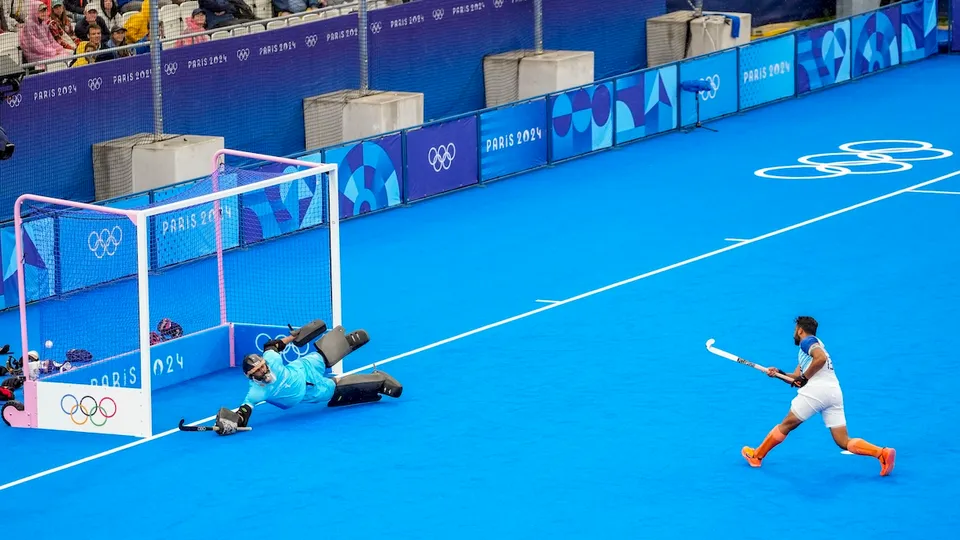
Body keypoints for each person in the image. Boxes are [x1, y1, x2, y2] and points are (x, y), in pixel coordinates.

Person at [741, 316, 896, 475]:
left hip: (817, 391)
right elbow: (796, 378)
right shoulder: (811, 349)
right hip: (834, 393)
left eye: (795, 330)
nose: (794, 333)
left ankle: (756, 455)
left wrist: (804, 378)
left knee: (786, 424)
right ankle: (882, 453)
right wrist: (778, 373)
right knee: (843, 441)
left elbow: (817, 362)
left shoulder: (807, 342)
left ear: (800, 330)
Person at [213, 321, 403, 435]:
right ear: (251, 376)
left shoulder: (271, 358)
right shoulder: (255, 392)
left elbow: (273, 345)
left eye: (263, 366)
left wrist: (292, 337)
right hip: (309, 392)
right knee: (333, 387)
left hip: (303, 367)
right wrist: (229, 424)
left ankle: (345, 342)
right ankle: (378, 380)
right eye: (258, 371)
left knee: (321, 357)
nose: (263, 370)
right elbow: (243, 417)